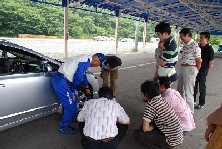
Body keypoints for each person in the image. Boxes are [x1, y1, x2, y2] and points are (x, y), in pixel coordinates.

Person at [52, 53, 106, 134]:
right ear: (95, 61)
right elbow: (79, 76)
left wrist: (86, 87)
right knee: (70, 106)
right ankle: (64, 127)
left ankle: (72, 118)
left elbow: (83, 75)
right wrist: (73, 88)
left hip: (64, 80)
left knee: (74, 100)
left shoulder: (85, 59)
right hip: (62, 81)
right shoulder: (85, 61)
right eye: (98, 65)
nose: (97, 66)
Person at [133, 80, 183, 149]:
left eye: (141, 92)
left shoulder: (151, 105)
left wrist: (152, 127)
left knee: (137, 133)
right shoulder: (161, 99)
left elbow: (145, 128)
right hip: (178, 137)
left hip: (170, 141)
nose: (141, 94)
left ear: (146, 94)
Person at [177, 28, 202, 114]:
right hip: (183, 68)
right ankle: (182, 108)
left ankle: (190, 112)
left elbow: (199, 60)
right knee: (180, 89)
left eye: (182, 36)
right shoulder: (185, 44)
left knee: (188, 92)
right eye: (180, 36)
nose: (181, 38)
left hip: (190, 68)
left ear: (188, 35)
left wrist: (196, 71)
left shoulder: (194, 45)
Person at [194, 32, 214, 109]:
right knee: (194, 85)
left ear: (207, 39)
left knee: (202, 87)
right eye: (200, 37)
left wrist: (207, 69)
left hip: (203, 70)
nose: (200, 39)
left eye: (202, 37)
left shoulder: (209, 49)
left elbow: (211, 62)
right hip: (196, 69)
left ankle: (201, 103)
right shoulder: (198, 47)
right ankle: (193, 100)